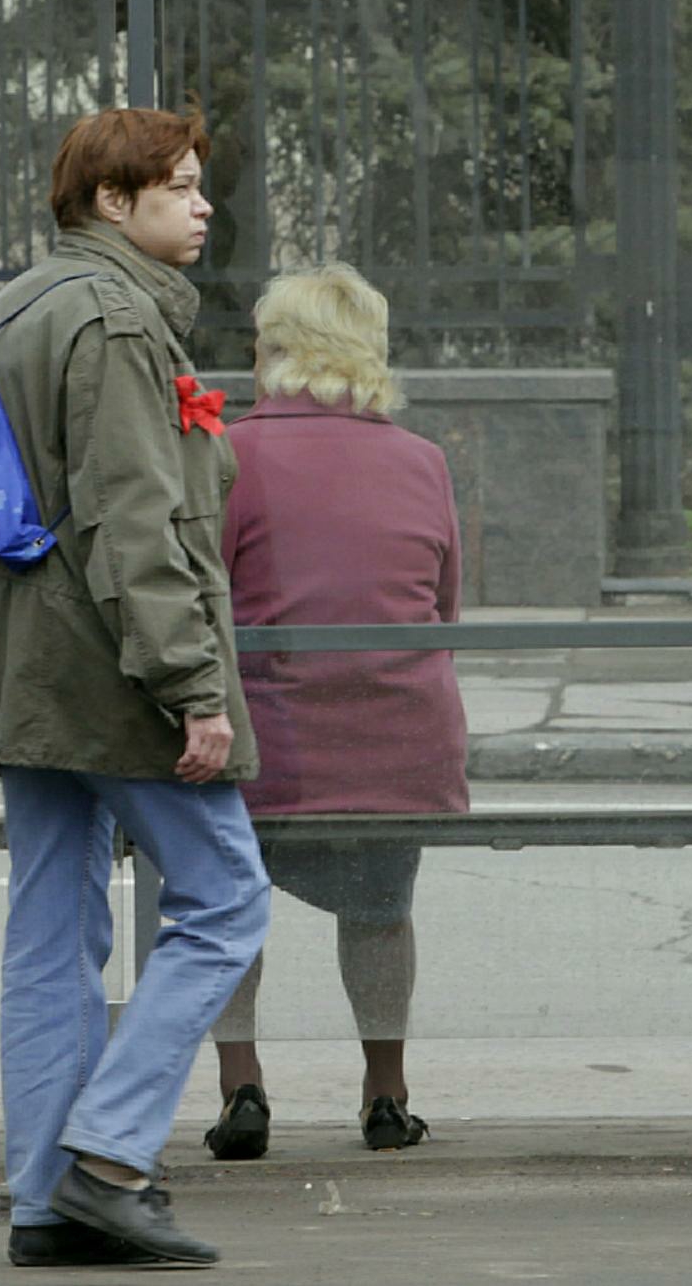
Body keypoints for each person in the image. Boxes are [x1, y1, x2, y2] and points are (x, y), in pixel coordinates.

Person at [0, 107, 268, 1271]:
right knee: (226, 899)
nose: (202, 202)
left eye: (199, 182)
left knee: (50, 923)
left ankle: (42, 1202)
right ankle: (108, 1157)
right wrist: (192, 686)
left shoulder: (18, 300)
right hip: (107, 659)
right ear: (112, 203)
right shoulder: (117, 321)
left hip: (25, 653)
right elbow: (136, 518)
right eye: (177, 184)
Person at [202, 262, 463, 1160]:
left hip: (264, 745)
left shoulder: (232, 452)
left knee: (224, 904)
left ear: (276, 349)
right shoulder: (423, 460)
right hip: (396, 744)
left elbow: (206, 601)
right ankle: (387, 1095)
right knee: (381, 908)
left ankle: (243, 1089)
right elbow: (445, 604)